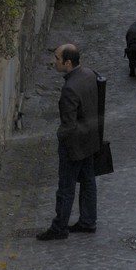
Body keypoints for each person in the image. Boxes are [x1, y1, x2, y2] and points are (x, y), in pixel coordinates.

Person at [36, 43, 99, 240]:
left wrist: (61, 139)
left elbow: (68, 124)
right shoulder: (89, 74)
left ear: (68, 63)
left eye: (57, 58)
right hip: (90, 139)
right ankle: (88, 221)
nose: (54, 62)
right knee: (88, 181)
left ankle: (59, 227)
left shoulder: (69, 89)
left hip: (75, 145)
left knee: (66, 187)